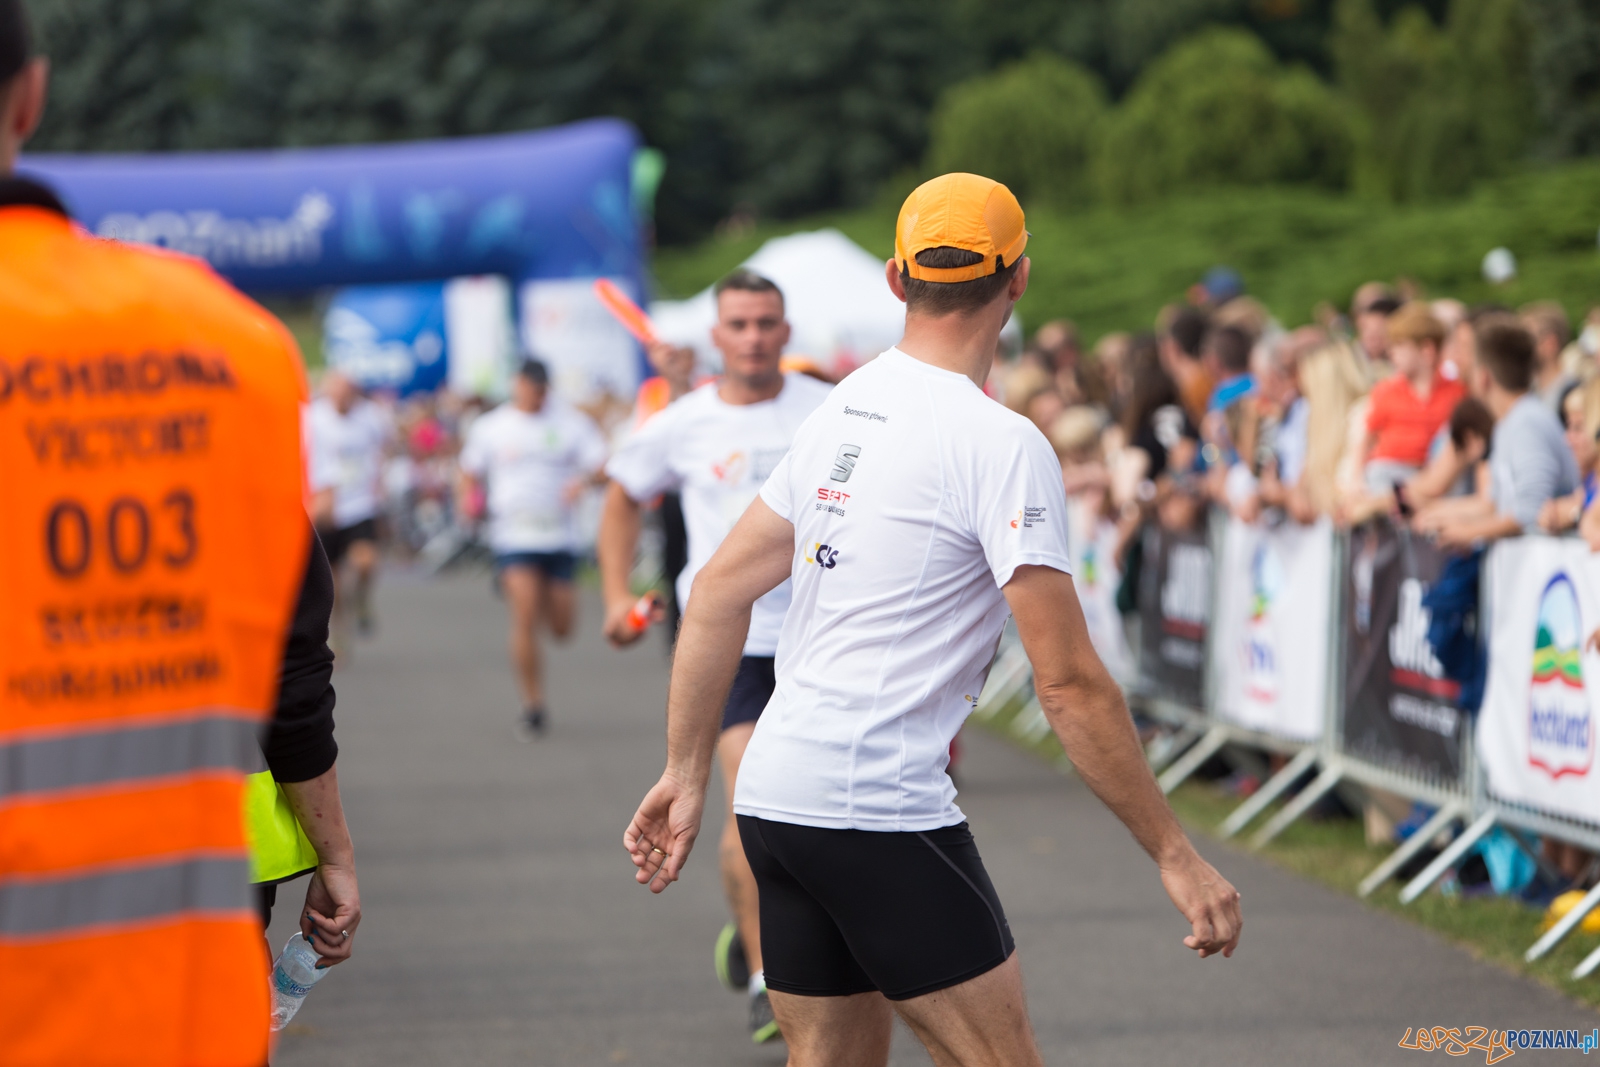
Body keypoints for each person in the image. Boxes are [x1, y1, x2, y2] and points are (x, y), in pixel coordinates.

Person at [623, 173, 1241, 1067]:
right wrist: (1176, 854)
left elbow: (716, 589)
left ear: (895, 278)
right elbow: (1066, 684)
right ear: (1019, 278)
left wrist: (686, 771)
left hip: (775, 793)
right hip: (875, 806)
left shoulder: (841, 403)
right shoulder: (1002, 443)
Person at [0, 4, 357, 1058]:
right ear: (31, 93)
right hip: (158, 966)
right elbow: (293, 656)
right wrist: (334, 848)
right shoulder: (225, 344)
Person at [599, 269, 833, 1043]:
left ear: (786, 331)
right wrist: (614, 598)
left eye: (767, 322)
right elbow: (623, 495)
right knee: (747, 812)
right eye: (739, 324)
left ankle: (764, 930)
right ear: (717, 334)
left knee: (825, 813)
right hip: (731, 648)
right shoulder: (684, 422)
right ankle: (770, 977)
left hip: (821, 641)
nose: (755, 337)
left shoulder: (827, 408)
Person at [458, 358, 608, 737]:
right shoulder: (493, 426)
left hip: (560, 535)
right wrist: (468, 500)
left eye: (542, 390)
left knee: (561, 628)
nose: (535, 396)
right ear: (516, 385)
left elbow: (602, 463)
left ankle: (538, 596)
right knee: (523, 618)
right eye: (529, 388)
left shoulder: (570, 423)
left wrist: (584, 482)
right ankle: (533, 705)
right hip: (513, 535)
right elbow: (468, 469)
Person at [1422, 318, 1579, 549]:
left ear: (1484, 377)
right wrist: (1447, 518)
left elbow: (1531, 510)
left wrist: (1468, 532)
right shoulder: (1511, 423)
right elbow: (1498, 504)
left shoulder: (1528, 423)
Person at [305, 370, 392, 643]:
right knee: (332, 579)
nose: (342, 399)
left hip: (360, 503)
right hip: (326, 505)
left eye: (347, 392)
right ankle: (338, 630)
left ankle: (362, 600)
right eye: (336, 392)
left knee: (366, 562)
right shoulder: (312, 417)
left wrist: (379, 484)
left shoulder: (371, 417)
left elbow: (382, 449)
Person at [1358, 303, 1465, 494]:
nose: (1392, 353)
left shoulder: (1457, 392)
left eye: (1399, 345)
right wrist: (1355, 482)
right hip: (1392, 471)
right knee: (1379, 474)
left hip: (1437, 474)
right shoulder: (1386, 390)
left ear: (1427, 350)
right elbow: (1366, 439)